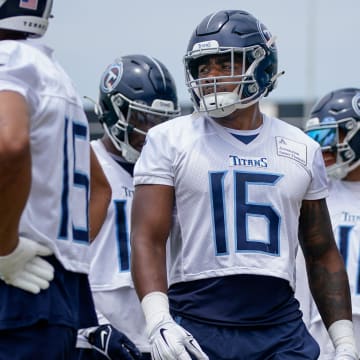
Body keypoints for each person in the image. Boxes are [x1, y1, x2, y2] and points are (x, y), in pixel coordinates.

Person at [130, 9, 358, 360]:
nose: (211, 77)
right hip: (197, 318)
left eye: (225, 64)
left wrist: (344, 343)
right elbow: (147, 237)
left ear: (261, 66)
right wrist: (158, 320)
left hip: (280, 326)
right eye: (203, 67)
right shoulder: (170, 139)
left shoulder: (301, 147)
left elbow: (321, 251)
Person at [0, 1, 111, 359]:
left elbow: (10, 145)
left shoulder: (9, 60)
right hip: (58, 288)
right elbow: (101, 188)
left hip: (16, 285)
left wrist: (6, 247)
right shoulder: (54, 73)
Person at [76, 55, 181, 360]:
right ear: (111, 111)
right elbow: (69, 255)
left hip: (159, 333)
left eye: (161, 122)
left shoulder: (170, 173)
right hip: (96, 332)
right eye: (142, 119)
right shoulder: (86, 164)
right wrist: (91, 322)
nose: (151, 132)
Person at [296, 87, 360, 359]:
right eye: (314, 138)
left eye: (332, 135)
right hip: (325, 330)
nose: (323, 147)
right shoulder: (313, 194)